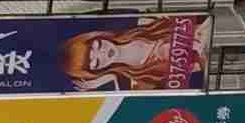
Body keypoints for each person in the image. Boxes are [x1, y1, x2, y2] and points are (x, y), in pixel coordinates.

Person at [57, 17, 190, 91]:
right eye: (95, 62)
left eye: (97, 45)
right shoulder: (137, 82)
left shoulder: (141, 25)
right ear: (97, 71)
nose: (102, 53)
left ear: (97, 37)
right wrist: (109, 77)